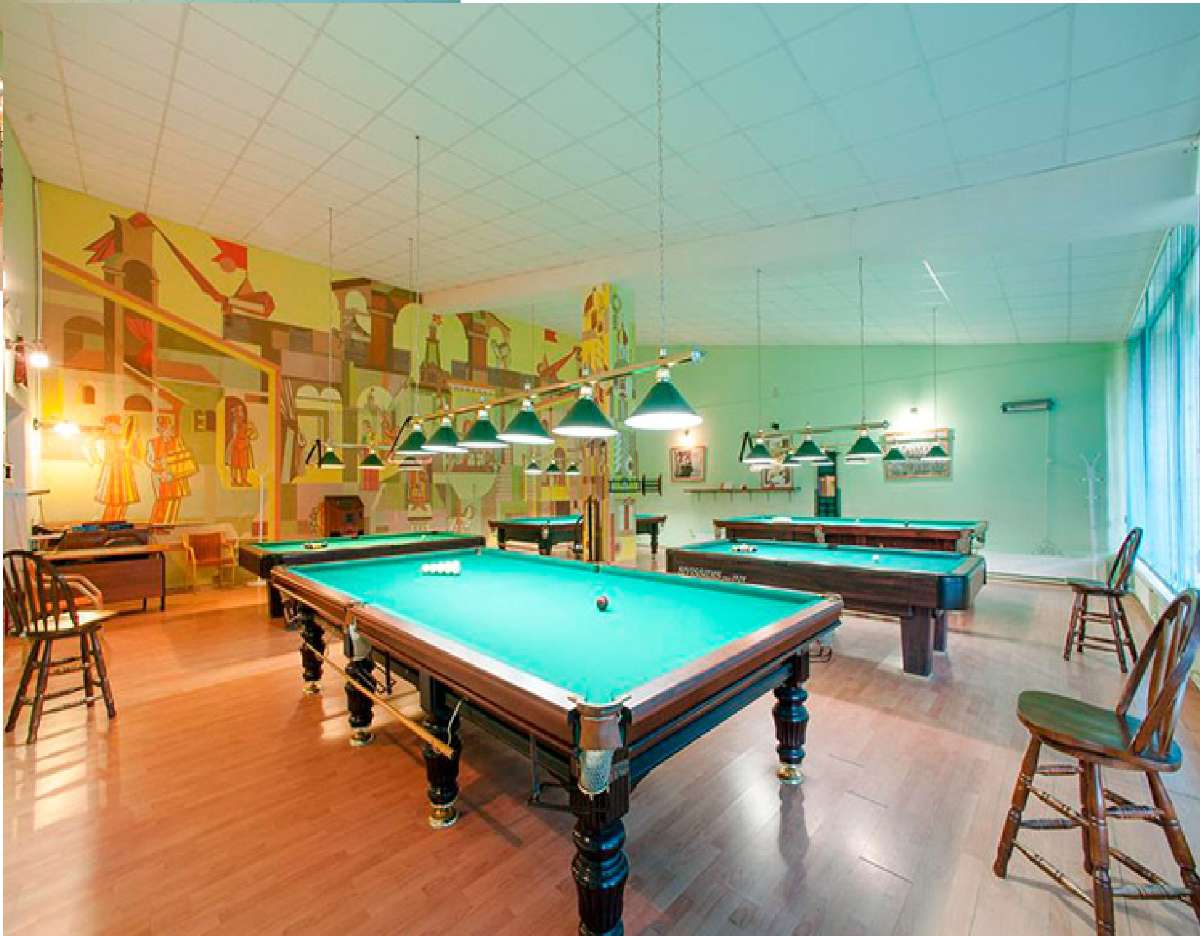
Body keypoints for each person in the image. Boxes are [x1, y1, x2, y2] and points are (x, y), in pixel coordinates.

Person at [147, 414, 198, 524]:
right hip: (161, 477)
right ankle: (157, 524)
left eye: (169, 428)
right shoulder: (152, 442)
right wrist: (161, 471)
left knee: (175, 501)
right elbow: (149, 460)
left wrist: (173, 470)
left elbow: (183, 458)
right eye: (165, 428)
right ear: (160, 430)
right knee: (162, 501)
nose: (168, 431)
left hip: (175, 477)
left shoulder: (178, 441)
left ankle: (170, 524)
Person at [92, 414, 140, 521]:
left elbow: (134, 455)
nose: (108, 427)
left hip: (124, 470)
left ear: (117, 425)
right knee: (112, 499)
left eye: (110, 425)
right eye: (107, 425)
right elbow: (103, 454)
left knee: (124, 498)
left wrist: (135, 440)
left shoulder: (125, 438)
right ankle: (108, 520)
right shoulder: (106, 438)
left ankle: (119, 519)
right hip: (112, 470)